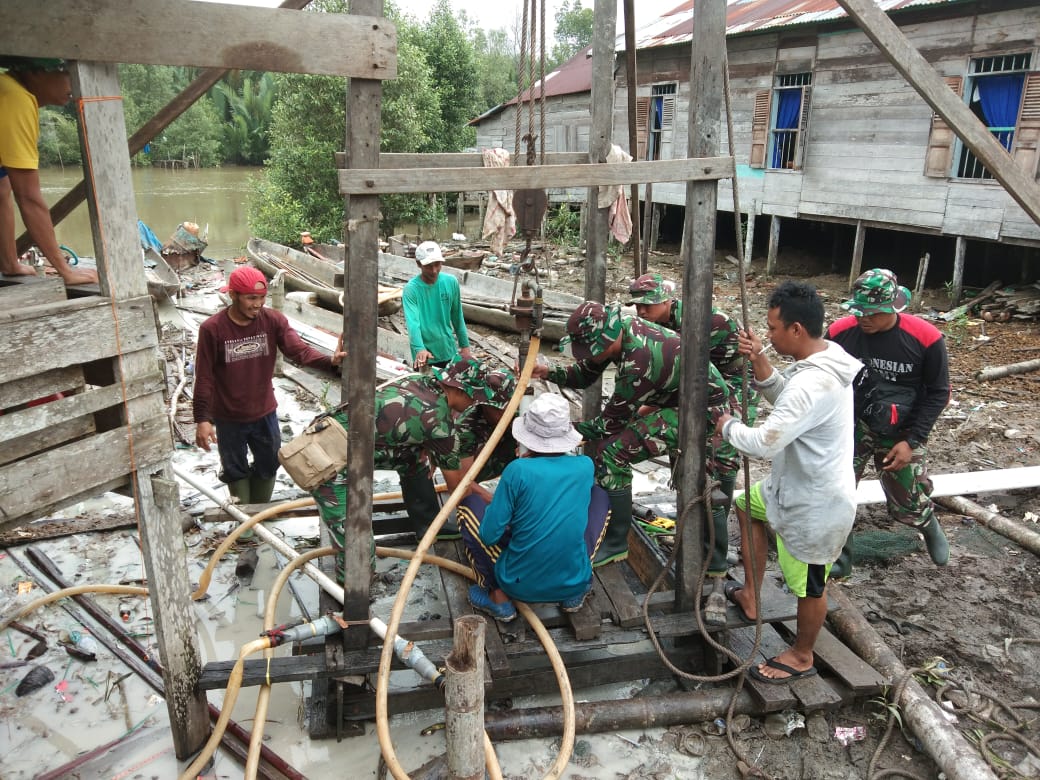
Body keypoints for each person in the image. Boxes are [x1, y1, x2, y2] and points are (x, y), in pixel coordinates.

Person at [717, 281, 863, 683]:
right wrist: (761, 360)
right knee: (747, 505)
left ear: (797, 329)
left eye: (774, 328)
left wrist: (728, 426)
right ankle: (751, 593)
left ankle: (802, 654)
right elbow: (788, 399)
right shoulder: (828, 356)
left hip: (816, 503)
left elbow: (764, 442)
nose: (769, 335)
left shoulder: (813, 382)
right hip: (791, 485)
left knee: (809, 586)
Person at [534, 301, 730, 568]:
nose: (588, 355)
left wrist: (559, 431)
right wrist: (549, 371)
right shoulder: (620, 331)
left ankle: (616, 543)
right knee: (612, 445)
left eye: (592, 350)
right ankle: (610, 522)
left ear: (606, 340)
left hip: (702, 412)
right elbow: (584, 375)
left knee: (613, 453)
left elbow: (608, 426)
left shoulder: (637, 363)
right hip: (679, 399)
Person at [309, 356, 499, 583]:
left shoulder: (419, 381)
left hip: (341, 441)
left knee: (413, 459)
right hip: (324, 462)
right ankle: (351, 593)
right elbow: (458, 488)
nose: (474, 404)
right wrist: (497, 506)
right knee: (357, 546)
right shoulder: (439, 424)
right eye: (475, 397)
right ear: (462, 390)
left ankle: (428, 525)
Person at [627, 273, 761, 594]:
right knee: (686, 454)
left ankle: (714, 560)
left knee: (718, 462)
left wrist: (643, 410)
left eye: (648, 305)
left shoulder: (702, 321)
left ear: (667, 301)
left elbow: (690, 378)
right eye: (637, 306)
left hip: (732, 385)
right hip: (698, 385)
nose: (641, 311)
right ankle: (693, 537)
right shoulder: (660, 326)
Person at [827, 268, 951, 575]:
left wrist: (911, 441)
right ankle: (841, 556)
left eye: (871, 313)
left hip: (901, 427)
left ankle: (926, 522)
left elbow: (938, 393)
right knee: (835, 491)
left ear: (890, 308)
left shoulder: (925, 338)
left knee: (906, 501)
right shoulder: (841, 332)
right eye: (858, 312)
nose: (863, 319)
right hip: (853, 423)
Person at [193, 265, 344, 505]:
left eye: (262, 298)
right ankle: (244, 523)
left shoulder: (273, 321)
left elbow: (300, 352)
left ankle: (259, 513)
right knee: (234, 467)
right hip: (228, 416)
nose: (257, 304)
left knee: (270, 462)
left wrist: (331, 362)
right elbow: (204, 376)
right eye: (251, 298)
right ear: (233, 295)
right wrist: (202, 419)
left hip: (264, 411)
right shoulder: (212, 329)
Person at [458, 393, 610, 622]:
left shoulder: (517, 470)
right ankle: (574, 592)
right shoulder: (585, 466)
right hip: (574, 580)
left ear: (529, 438)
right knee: (598, 496)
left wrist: (492, 500)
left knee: (468, 507)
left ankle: (498, 597)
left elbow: (489, 536)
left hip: (519, 585)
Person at [0, 57, 97, 286]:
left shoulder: (8, 90)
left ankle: (7, 261)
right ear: (35, 72)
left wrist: (10, 263)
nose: (74, 84)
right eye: (66, 73)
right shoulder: (15, 99)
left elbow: (3, 187)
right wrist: (65, 271)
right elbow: (29, 198)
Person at [402, 240, 471, 370]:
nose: (434, 271)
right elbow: (413, 323)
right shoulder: (411, 290)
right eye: (428, 266)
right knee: (426, 388)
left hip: (448, 349)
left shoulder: (451, 282)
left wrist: (465, 346)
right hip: (425, 355)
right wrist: (420, 348)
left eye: (437, 264)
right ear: (418, 264)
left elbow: (457, 316)